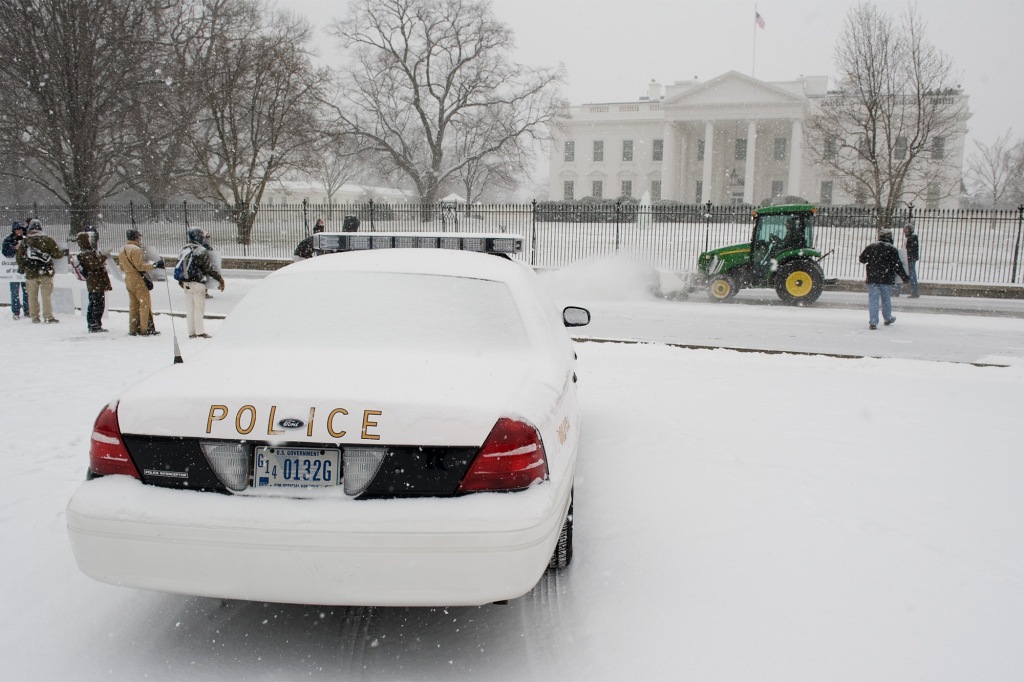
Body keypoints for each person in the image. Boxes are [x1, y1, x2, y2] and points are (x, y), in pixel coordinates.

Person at [175, 227, 225, 339]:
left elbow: (180, 265)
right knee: (199, 308)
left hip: (186, 283)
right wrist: (220, 279)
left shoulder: (184, 249)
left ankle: (191, 332)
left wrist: (181, 280)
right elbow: (209, 268)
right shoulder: (201, 250)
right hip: (198, 282)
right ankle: (200, 332)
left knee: (190, 308)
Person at [859, 228, 911, 330]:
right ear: (889, 237)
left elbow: (862, 259)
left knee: (873, 300)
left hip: (872, 278)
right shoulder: (892, 249)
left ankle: (873, 322)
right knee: (886, 299)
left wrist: (872, 260)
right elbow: (897, 265)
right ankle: (887, 318)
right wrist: (905, 277)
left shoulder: (871, 247)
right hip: (886, 279)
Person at [15, 219, 65, 323]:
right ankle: (48, 316)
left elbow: (19, 258)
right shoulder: (47, 240)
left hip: (30, 273)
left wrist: (24, 267)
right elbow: (57, 255)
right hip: (46, 272)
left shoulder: (25, 241)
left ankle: (34, 317)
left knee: (32, 296)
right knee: (46, 296)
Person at [117, 228, 163, 336]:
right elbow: (140, 266)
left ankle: (133, 328)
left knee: (133, 305)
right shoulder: (136, 250)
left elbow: (122, 267)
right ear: (136, 237)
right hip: (138, 279)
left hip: (128, 278)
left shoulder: (122, 249)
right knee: (144, 304)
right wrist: (155, 265)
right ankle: (145, 328)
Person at [75, 229, 112, 333]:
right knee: (97, 304)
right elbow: (94, 264)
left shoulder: (87, 252)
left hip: (94, 281)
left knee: (94, 303)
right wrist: (104, 255)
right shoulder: (86, 253)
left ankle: (93, 323)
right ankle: (95, 325)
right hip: (96, 281)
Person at [2, 222, 29, 319]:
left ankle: (27, 310)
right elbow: (5, 252)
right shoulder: (8, 240)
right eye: (17, 230)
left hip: (24, 269)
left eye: (21, 230)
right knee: (14, 291)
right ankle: (16, 311)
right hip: (13, 271)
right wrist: (14, 249)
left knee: (27, 291)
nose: (19, 232)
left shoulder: (27, 239)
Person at [904, 223, 920, 298]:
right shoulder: (912, 237)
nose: (905, 232)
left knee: (912, 274)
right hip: (911, 258)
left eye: (907, 230)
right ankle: (914, 291)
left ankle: (915, 291)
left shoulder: (911, 238)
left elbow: (910, 249)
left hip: (910, 258)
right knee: (912, 274)